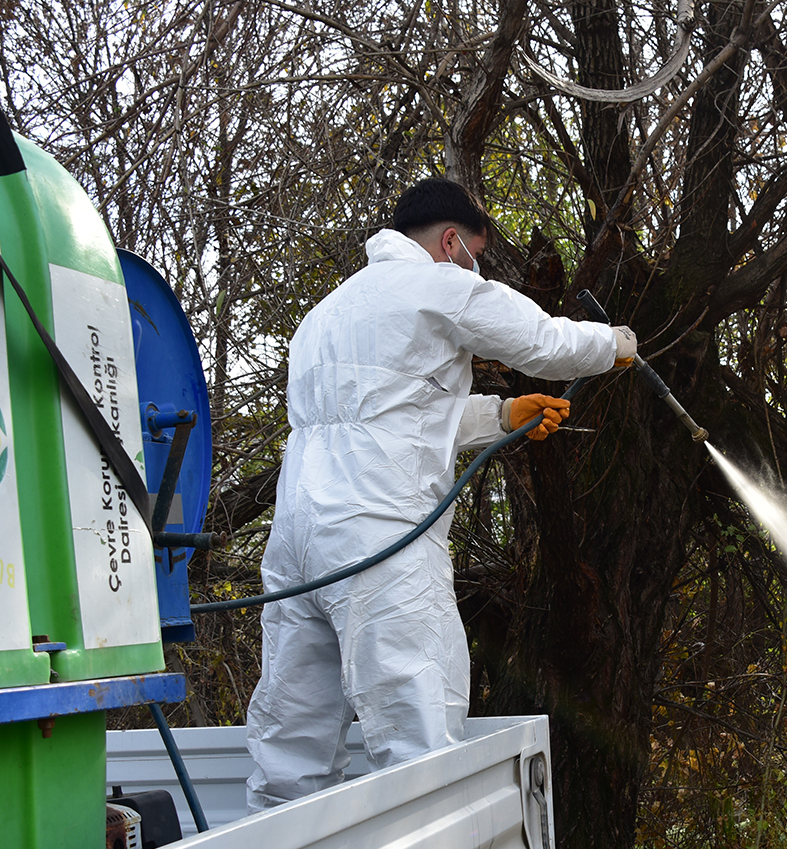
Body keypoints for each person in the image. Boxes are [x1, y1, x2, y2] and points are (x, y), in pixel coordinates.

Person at [245, 177, 635, 811]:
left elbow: (391, 417)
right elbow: (541, 341)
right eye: (475, 255)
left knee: (292, 740)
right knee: (417, 729)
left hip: (296, 545)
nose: (475, 268)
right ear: (452, 242)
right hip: (381, 535)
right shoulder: (436, 283)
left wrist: (502, 414)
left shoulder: (326, 314)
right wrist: (610, 345)